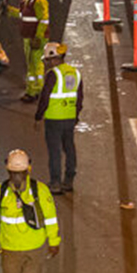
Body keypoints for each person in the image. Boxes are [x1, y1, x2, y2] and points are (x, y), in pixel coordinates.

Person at [34, 43, 81, 194]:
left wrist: (38, 116)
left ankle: (55, 183)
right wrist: (75, 116)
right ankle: (68, 180)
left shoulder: (53, 74)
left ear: (54, 59)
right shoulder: (75, 73)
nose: (47, 64)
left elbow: (45, 97)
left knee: (55, 151)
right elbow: (80, 98)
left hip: (54, 119)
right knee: (69, 148)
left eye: (48, 60)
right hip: (69, 117)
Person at [7, 0, 49, 102]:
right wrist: (7, 10)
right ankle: (32, 91)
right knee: (30, 65)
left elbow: (44, 20)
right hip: (27, 37)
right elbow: (22, 16)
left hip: (36, 39)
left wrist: (38, 37)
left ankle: (41, 92)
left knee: (37, 65)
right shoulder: (26, 1)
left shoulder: (39, 1)